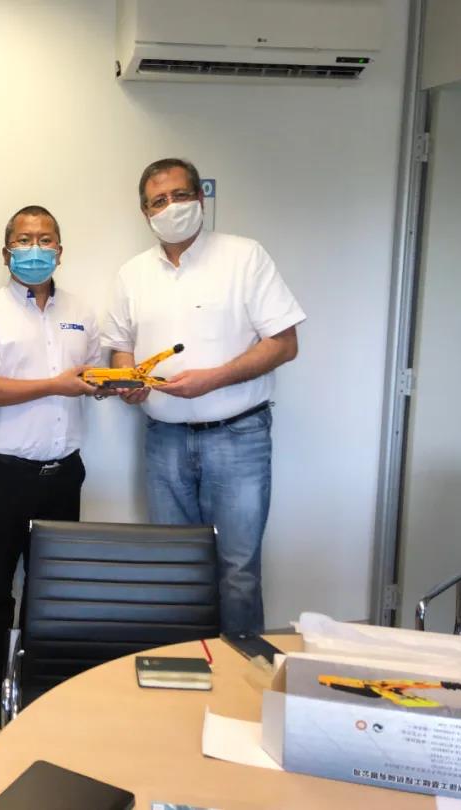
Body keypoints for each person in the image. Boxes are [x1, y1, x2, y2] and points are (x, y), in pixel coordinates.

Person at [102, 158, 305, 636]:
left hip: (238, 437)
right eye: (158, 201)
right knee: (175, 568)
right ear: (145, 212)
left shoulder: (244, 257)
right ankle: (185, 665)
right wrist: (128, 382)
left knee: (238, 571)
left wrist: (213, 379)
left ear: (200, 198)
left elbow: (284, 343)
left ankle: (240, 671)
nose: (170, 207)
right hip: (164, 440)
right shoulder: (133, 274)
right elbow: (120, 347)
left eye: (180, 195)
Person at [0, 205, 101, 727]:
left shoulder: (82, 311)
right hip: (4, 474)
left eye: (45, 239)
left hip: (64, 473)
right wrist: (54, 385)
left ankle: (40, 673)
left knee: (52, 582)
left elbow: (93, 376)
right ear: (6, 253)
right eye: (24, 240)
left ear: (60, 250)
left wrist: (113, 386)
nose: (35, 248)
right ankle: (1, 678)